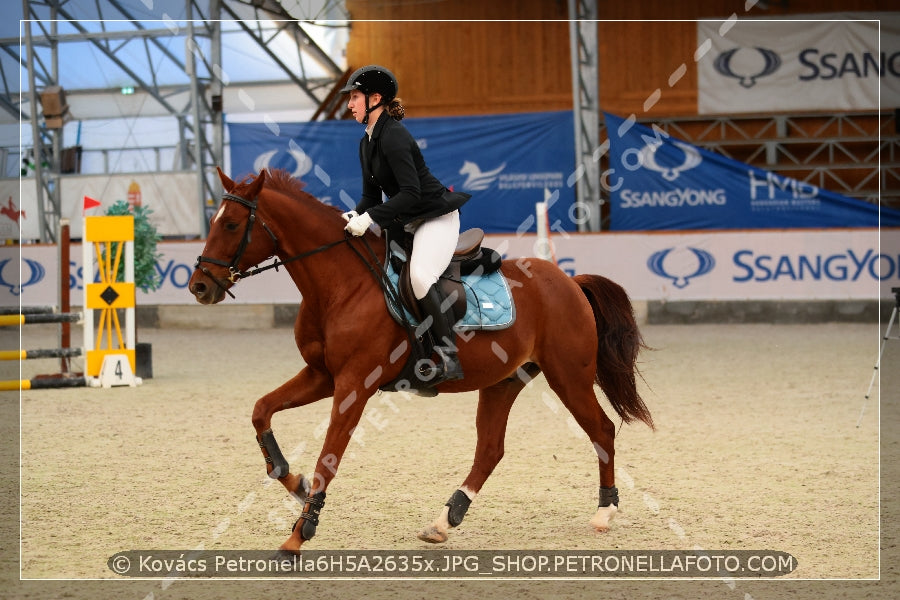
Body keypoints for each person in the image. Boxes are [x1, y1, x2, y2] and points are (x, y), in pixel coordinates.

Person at [340, 65, 471, 384]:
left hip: (435, 217)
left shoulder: (394, 136)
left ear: (375, 99)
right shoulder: (366, 141)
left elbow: (411, 192)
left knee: (420, 277)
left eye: (354, 97)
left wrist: (370, 219)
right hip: (405, 221)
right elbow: (370, 196)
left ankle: (448, 357)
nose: (349, 104)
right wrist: (355, 215)